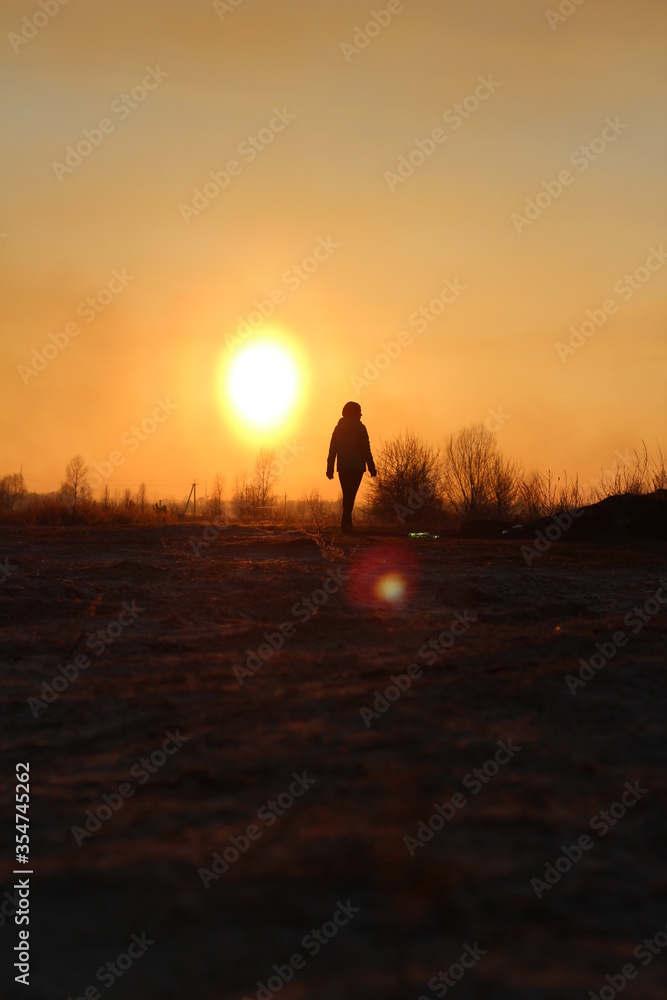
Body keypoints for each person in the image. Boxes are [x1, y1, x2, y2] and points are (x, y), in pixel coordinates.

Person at [326, 401, 377, 532]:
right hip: (356, 468)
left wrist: (330, 468)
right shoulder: (361, 428)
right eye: (359, 412)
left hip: (343, 467)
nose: (361, 415)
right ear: (355, 413)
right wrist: (371, 467)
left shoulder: (338, 429)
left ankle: (346, 523)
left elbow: (333, 449)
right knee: (351, 495)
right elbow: (366, 449)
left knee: (347, 494)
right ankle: (346, 523)